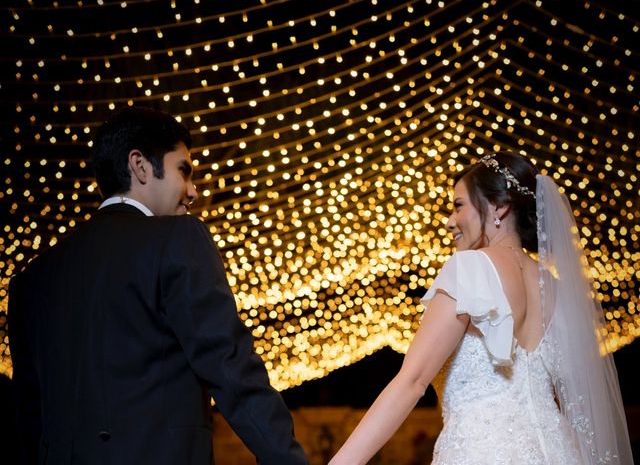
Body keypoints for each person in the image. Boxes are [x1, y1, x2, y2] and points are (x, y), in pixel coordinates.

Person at [8, 106, 308, 465]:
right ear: (140, 166)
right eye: (184, 171)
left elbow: (29, 420)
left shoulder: (31, 280)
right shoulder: (177, 240)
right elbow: (231, 369)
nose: (193, 192)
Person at [329, 150, 633, 464]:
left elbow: (412, 381)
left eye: (459, 206)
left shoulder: (470, 268)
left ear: (499, 208)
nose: (449, 222)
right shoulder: (554, 287)